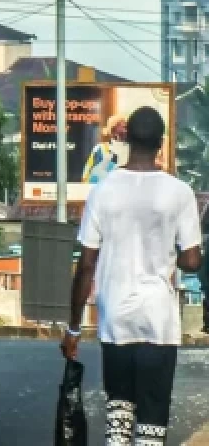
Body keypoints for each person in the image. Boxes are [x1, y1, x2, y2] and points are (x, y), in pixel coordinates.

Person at [61, 106, 202, 446]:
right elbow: (192, 261)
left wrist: (74, 329)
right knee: (152, 424)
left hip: (116, 319)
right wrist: (173, 253)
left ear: (124, 139)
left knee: (119, 421)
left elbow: (85, 266)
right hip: (159, 320)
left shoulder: (103, 191)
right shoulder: (180, 193)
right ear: (162, 142)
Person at [83, 113, 127, 184]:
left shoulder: (132, 150)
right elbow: (87, 174)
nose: (125, 131)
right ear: (112, 130)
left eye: (125, 127)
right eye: (121, 127)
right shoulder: (100, 149)